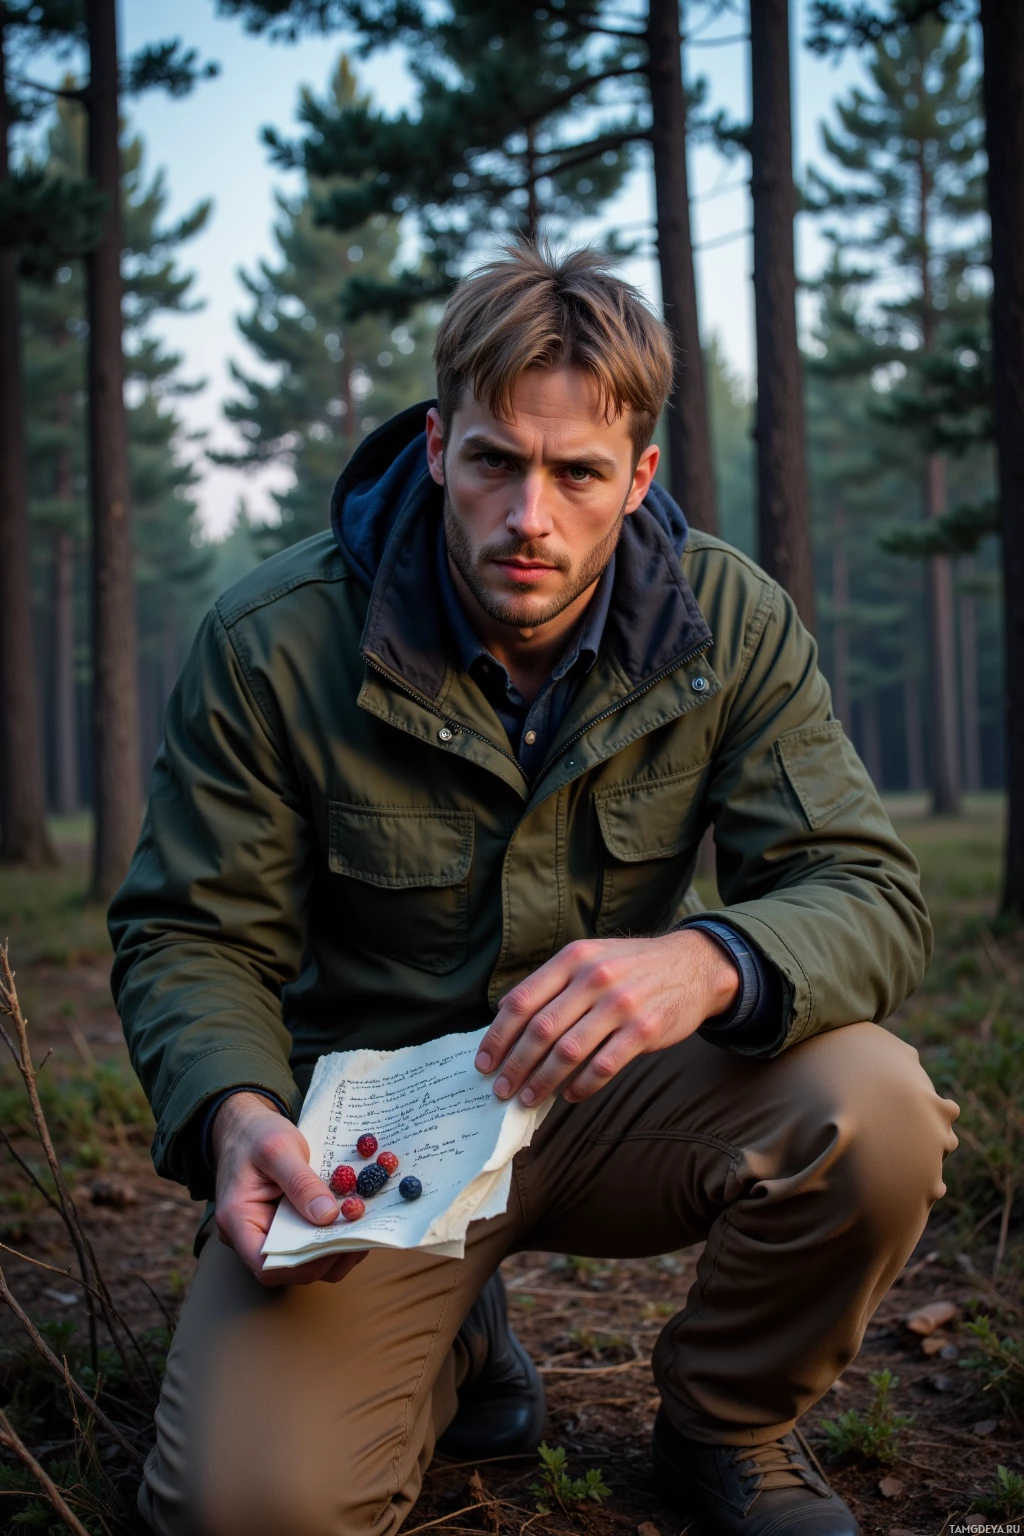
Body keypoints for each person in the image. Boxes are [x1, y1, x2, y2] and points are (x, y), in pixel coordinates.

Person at [109, 243, 958, 1536]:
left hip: (610, 1095)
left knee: (878, 1109)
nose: (531, 517)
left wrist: (713, 959)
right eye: (499, 460)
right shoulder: (275, 642)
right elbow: (190, 933)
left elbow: (866, 888)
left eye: (578, 475)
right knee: (249, 1509)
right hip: (369, 1149)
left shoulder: (726, 622)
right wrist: (231, 1112)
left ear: (641, 479)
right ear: (441, 446)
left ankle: (729, 1427)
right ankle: (457, 1337)